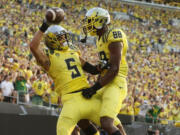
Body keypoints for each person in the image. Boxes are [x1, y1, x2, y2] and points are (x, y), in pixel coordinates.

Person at [29, 20, 122, 135]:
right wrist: (44, 25)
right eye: (61, 37)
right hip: (74, 99)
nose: (66, 39)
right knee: (73, 128)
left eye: (65, 37)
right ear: (52, 40)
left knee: (114, 124)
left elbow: (92, 70)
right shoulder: (48, 57)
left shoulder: (73, 51)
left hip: (85, 95)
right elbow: (33, 46)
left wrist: (100, 67)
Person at [80, 7, 128, 135]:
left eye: (90, 22)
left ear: (100, 21)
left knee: (106, 122)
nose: (88, 25)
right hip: (105, 83)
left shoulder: (113, 34)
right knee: (81, 110)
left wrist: (93, 88)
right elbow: (101, 68)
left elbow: (114, 70)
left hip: (115, 83)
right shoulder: (100, 39)